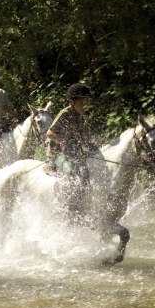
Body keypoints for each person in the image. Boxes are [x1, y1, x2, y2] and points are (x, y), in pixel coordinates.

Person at [45, 82, 99, 220]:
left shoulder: (80, 117)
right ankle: (70, 207)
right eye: (82, 100)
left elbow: (81, 139)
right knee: (72, 170)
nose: (85, 103)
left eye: (86, 100)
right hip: (57, 153)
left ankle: (84, 202)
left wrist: (89, 146)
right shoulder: (65, 113)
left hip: (72, 153)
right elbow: (49, 133)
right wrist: (62, 141)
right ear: (72, 101)